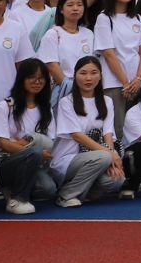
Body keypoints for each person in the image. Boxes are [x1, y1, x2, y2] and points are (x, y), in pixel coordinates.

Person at [51, 56, 126, 208]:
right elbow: (77, 136)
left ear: (101, 76)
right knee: (104, 157)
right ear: (75, 76)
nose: (88, 78)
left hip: (98, 157)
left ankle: (81, 192)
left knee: (117, 180)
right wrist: (109, 155)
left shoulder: (107, 101)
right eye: (83, 73)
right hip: (68, 160)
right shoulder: (67, 102)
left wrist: (112, 157)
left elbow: (108, 133)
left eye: (93, 73)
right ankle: (66, 195)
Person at [0, 58, 58, 213]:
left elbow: (51, 142)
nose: (37, 82)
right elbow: (3, 143)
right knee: (34, 150)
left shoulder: (45, 108)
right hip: (6, 162)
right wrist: (33, 151)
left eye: (41, 78)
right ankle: (17, 198)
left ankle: (19, 188)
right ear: (21, 79)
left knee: (49, 189)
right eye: (31, 77)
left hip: (36, 161)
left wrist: (27, 146)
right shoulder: (6, 105)